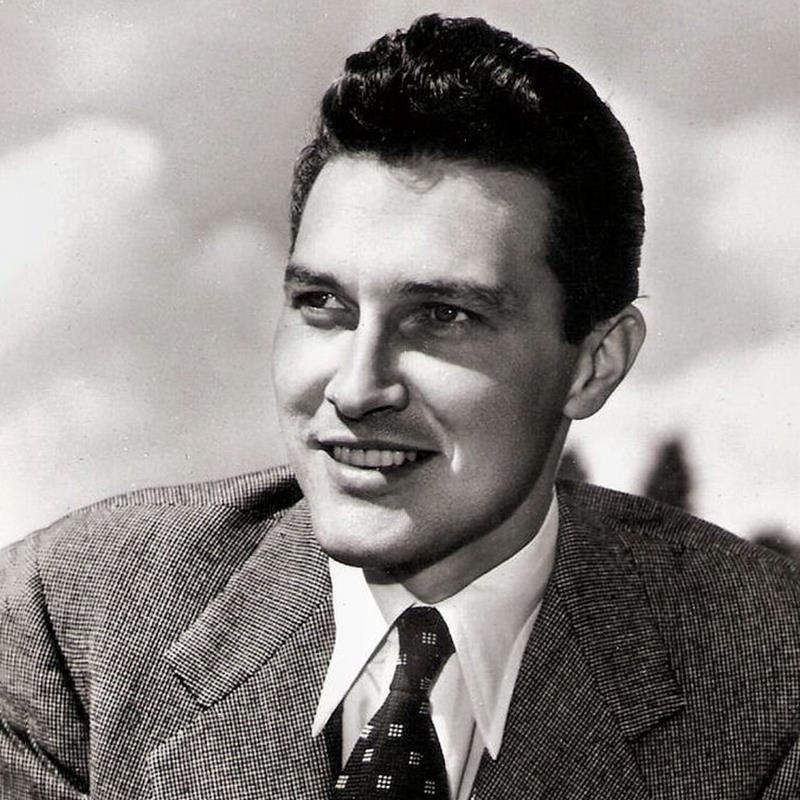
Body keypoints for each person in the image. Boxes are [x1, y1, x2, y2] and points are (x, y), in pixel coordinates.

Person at [2, 13, 799, 800]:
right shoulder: (71, 628)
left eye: (443, 316)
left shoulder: (771, 682)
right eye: (323, 305)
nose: (355, 388)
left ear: (596, 364)